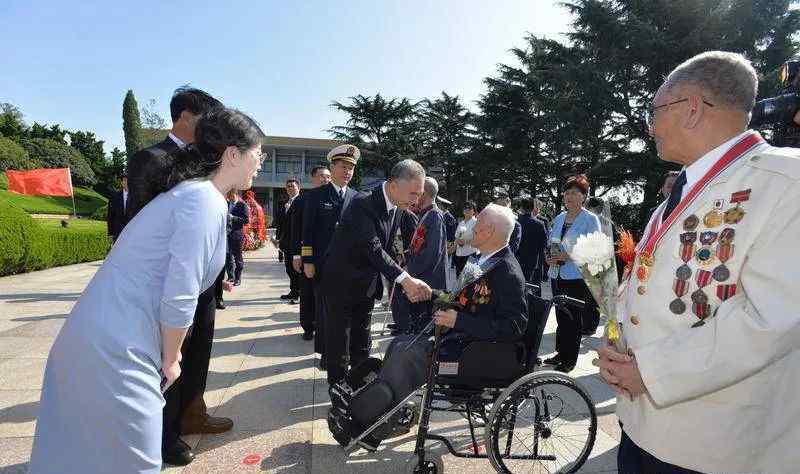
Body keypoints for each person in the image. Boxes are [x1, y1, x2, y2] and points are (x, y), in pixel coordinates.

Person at [595, 51, 800, 474]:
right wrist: (618, 342)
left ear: (690, 108)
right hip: (645, 426)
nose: (651, 126)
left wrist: (650, 372)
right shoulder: (683, 190)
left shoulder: (784, 182)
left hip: (714, 445)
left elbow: (770, 319)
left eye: (655, 111)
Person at [29, 107, 264, 473]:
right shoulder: (201, 200)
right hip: (117, 346)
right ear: (233, 154)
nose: (260, 163)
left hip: (111, 334)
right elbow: (181, 291)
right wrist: (171, 358)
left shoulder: (198, 195)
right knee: (131, 461)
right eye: (258, 154)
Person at [328, 203, 528, 450]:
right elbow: (459, 298)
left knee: (407, 355)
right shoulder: (483, 259)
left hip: (477, 352)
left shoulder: (506, 271)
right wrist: (429, 292)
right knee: (399, 344)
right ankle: (377, 414)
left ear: (489, 232)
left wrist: (458, 320)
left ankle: (375, 425)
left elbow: (515, 325)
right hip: (461, 340)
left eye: (478, 224)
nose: (473, 226)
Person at [120, 87, 231, 465]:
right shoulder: (150, 160)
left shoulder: (207, 162)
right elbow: (139, 226)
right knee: (169, 358)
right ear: (184, 116)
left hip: (204, 283)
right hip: (168, 283)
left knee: (199, 352)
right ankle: (164, 435)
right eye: (206, 120)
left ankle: (192, 413)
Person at [321, 159, 433, 385]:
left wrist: (404, 269)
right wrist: (404, 279)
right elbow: (373, 247)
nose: (416, 200)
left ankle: (360, 385)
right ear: (393, 186)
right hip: (341, 284)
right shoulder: (362, 204)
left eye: (419, 194)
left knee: (362, 340)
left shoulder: (399, 206)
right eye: (413, 194)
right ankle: (338, 391)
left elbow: (388, 244)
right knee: (339, 343)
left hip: (367, 285)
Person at [301, 145, 360, 368]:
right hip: (323, 266)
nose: (347, 172)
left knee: (345, 313)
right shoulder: (316, 196)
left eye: (351, 168)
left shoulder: (357, 197)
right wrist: (307, 261)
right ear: (332, 168)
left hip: (349, 267)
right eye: (343, 167)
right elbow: (307, 230)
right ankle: (327, 353)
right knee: (325, 312)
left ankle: (343, 352)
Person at [543, 175, 601, 373]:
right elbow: (552, 243)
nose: (569, 196)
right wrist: (549, 256)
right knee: (560, 316)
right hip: (556, 274)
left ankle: (569, 360)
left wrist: (568, 255)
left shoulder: (590, 219)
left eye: (575, 193)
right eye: (567, 193)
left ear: (584, 196)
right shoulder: (559, 218)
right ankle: (560, 353)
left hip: (576, 277)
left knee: (573, 319)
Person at [390, 177, 449, 334]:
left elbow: (432, 253)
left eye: (417, 192)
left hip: (428, 281)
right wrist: (406, 256)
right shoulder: (426, 214)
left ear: (424, 193)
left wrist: (409, 269)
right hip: (421, 277)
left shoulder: (435, 216)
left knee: (424, 326)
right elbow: (419, 246)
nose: (414, 196)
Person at [290, 165, 331, 339]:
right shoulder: (302, 200)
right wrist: (297, 255)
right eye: (321, 176)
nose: (325, 179)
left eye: (328, 176)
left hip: (329, 258)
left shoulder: (335, 198)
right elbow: (295, 230)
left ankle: (325, 326)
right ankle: (308, 326)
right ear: (312, 179)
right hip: (308, 256)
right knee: (307, 293)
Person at [515, 199, 548, 295]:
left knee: (519, 285)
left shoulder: (517, 223)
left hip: (518, 259)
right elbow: (544, 244)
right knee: (534, 286)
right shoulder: (539, 224)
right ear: (533, 208)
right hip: (534, 260)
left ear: (521, 208)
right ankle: (535, 306)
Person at [276, 178, 301, 300]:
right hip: (286, 243)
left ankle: (299, 292)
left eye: (293, 186)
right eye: (288, 186)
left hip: (298, 243)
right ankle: (294, 290)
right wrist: (278, 240)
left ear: (298, 188)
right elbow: (281, 225)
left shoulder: (303, 202)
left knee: (297, 269)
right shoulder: (285, 204)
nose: (290, 188)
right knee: (289, 268)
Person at [225, 191, 249, 286]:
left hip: (236, 235)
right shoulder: (225, 204)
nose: (230, 198)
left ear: (236, 195)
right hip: (225, 235)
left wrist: (233, 218)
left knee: (238, 257)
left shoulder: (242, 205)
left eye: (232, 196)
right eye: (229, 196)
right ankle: (231, 277)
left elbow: (246, 220)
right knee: (227, 257)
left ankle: (238, 278)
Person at [453, 201, 477, 278]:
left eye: (469, 208)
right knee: (458, 276)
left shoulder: (476, 222)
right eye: (465, 208)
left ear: (474, 211)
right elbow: (457, 237)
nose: (467, 210)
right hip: (459, 253)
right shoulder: (461, 223)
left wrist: (465, 241)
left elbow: (478, 239)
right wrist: (452, 248)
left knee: (467, 279)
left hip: (470, 254)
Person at [106, 172, 128, 243]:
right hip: (118, 233)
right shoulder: (114, 197)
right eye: (125, 180)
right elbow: (110, 216)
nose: (127, 182)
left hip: (133, 233)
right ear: (122, 182)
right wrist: (110, 234)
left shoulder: (138, 197)